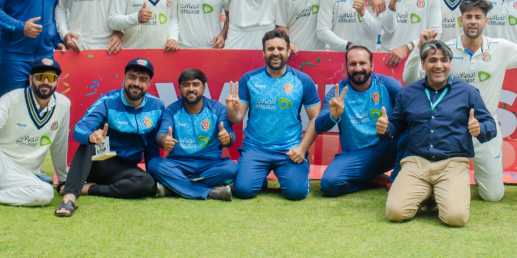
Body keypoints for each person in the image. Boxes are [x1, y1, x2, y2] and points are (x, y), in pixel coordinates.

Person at [403, 0, 517, 202]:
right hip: (449, 131)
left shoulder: (500, 48)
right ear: (460, 21)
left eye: (478, 17)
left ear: (486, 22)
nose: (473, 21)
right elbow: (410, 78)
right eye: (468, 17)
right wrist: (419, 47)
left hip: (485, 128)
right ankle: (448, 181)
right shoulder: (444, 51)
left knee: (493, 196)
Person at [378, 39, 496, 227]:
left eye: (444, 60)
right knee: (395, 213)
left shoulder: (467, 92)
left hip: (453, 163)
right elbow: (394, 129)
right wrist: (385, 130)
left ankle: (435, 192)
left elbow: (491, 126)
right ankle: (428, 192)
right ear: (423, 64)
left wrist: (480, 128)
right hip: (416, 163)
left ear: (450, 63)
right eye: (432, 60)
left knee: (455, 218)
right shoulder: (408, 93)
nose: (439, 65)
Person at [0, 58, 71, 226]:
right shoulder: (11, 99)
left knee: (45, 193)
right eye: (40, 77)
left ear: (57, 82)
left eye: (51, 78)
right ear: (31, 80)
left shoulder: (63, 104)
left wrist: (62, 178)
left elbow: (59, 144)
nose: (45, 82)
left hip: (24, 176)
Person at [55, 58, 163, 216]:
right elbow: (79, 129)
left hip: (127, 169)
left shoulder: (157, 105)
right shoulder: (108, 101)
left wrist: (153, 178)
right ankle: (69, 197)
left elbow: (152, 146)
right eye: (132, 77)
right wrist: (91, 136)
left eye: (143, 80)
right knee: (88, 143)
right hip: (100, 162)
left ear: (148, 83)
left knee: (146, 182)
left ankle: (88, 188)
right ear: (124, 79)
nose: (136, 83)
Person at [227, 29, 321, 200]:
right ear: (263, 52)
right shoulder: (249, 79)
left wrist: (302, 148)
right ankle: (258, 176)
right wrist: (232, 110)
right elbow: (236, 118)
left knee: (296, 194)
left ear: (288, 51)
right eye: (270, 49)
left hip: (289, 149)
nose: (275, 53)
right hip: (255, 148)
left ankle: (299, 177)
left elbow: (316, 118)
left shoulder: (303, 80)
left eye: (280, 48)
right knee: (242, 191)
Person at [308, 46, 405, 196]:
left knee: (413, 127)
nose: (358, 68)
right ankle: (371, 181)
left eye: (363, 63)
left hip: (387, 147)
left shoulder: (387, 84)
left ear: (372, 65)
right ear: (346, 66)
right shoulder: (337, 92)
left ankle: (395, 178)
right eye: (353, 64)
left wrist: (390, 127)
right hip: (355, 157)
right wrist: (332, 116)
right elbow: (319, 125)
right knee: (329, 184)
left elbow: (412, 107)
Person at [147, 68, 237, 200]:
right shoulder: (171, 110)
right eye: (186, 85)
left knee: (230, 168)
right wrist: (164, 140)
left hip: (210, 164)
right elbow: (161, 134)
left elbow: (230, 136)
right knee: (154, 164)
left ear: (204, 88)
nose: (191, 89)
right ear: (179, 89)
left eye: (195, 84)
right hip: (179, 165)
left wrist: (227, 138)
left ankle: (173, 188)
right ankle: (211, 192)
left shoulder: (218, 109)